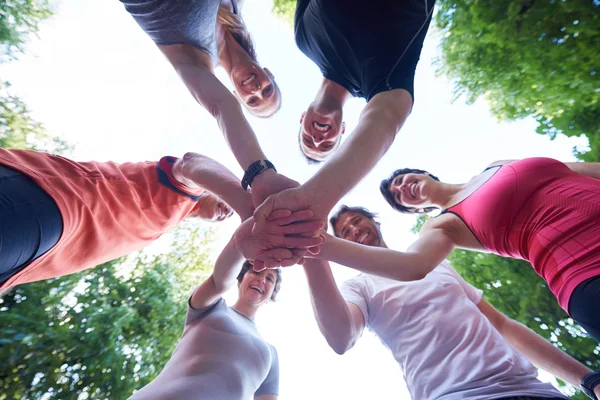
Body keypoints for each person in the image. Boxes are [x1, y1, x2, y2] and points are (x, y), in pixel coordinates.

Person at [300, 205, 600, 400]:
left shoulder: (437, 266)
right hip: (455, 395)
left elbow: (503, 325)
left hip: (535, 391)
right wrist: (313, 254)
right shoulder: (359, 287)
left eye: (357, 220)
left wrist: (589, 380)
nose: (354, 229)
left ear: (374, 222)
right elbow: (341, 338)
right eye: (344, 232)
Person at [375, 157, 600, 343]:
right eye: (398, 195)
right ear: (416, 209)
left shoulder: (496, 164)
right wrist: (338, 247)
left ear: (423, 172)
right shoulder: (440, 225)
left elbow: (573, 169)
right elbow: (412, 265)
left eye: (401, 180)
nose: (402, 187)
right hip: (584, 270)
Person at [119, 0, 300, 214]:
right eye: (267, 90)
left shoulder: (198, 62)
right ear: (269, 74)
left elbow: (223, 106)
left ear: (237, 96)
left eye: (252, 100)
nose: (256, 90)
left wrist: (262, 175)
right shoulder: (234, 7)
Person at [0, 148, 245, 288]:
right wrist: (247, 203)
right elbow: (192, 162)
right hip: (56, 202)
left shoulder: (171, 220)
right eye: (232, 201)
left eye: (233, 212)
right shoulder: (186, 188)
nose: (230, 209)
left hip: (35, 258)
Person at [294, 0, 433, 162]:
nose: (318, 140)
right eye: (327, 145)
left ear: (302, 118)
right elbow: (387, 118)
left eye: (308, 140)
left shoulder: (303, 39)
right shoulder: (382, 84)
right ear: (342, 130)